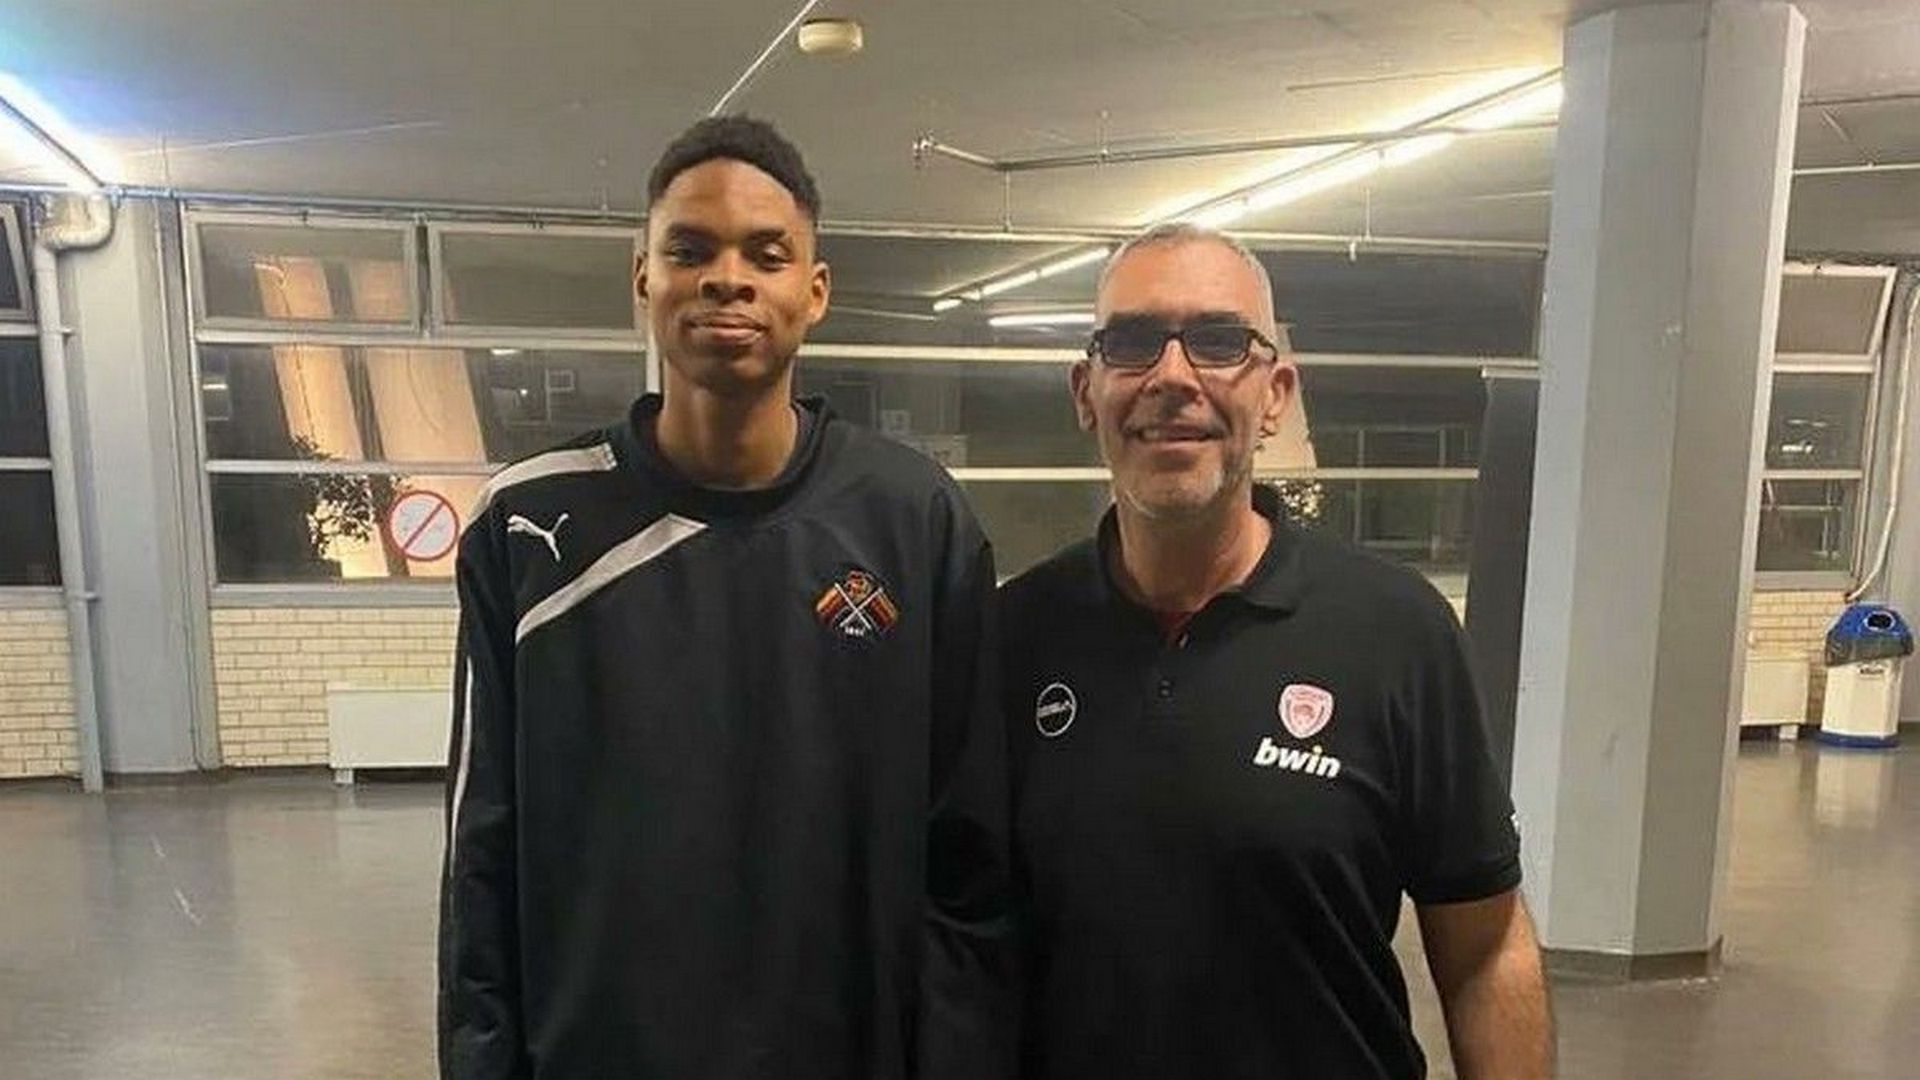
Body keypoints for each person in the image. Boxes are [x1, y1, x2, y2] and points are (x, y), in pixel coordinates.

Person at [439, 115, 1014, 1080]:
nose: (727, 279)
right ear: (644, 280)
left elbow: (968, 864)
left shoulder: (915, 520)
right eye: (690, 250)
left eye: (766, 254)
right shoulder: (527, 526)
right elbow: (479, 861)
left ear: (815, 290)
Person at [1000, 223, 1553, 1079]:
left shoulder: (1395, 631)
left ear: (1275, 396)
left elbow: (1484, 946)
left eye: (1219, 342)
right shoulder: (1011, 639)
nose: (1173, 377)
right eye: (1133, 343)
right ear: (1086, 391)